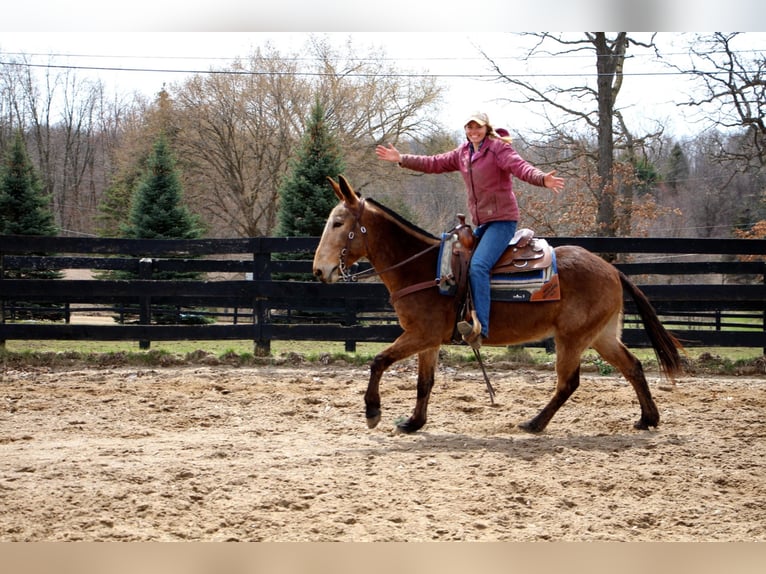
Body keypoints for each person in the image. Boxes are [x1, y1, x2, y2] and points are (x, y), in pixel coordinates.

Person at [375, 111, 564, 349]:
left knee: (478, 266)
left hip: (503, 221)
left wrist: (541, 179)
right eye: (470, 127)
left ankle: (480, 328)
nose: (474, 131)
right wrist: (401, 158)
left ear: (486, 128)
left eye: (478, 127)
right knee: (455, 262)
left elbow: (520, 167)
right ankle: (460, 316)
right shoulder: (463, 153)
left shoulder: (498, 149)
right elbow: (433, 163)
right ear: (465, 129)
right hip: (482, 224)